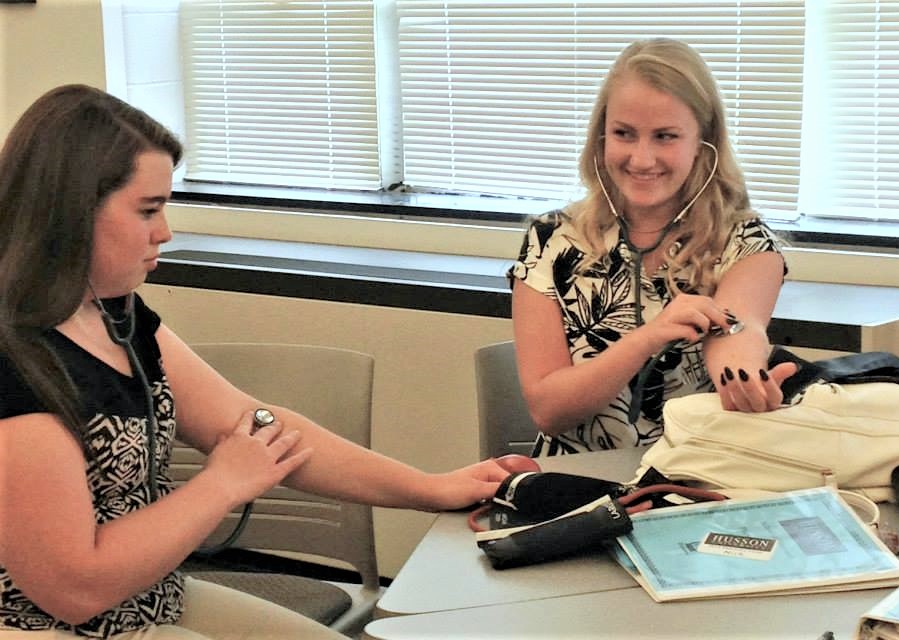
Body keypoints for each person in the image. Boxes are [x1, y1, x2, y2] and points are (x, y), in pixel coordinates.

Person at [0, 84, 511, 639]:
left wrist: (428, 488)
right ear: (70, 211)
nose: (164, 233)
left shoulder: (113, 313)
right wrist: (221, 483)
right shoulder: (14, 358)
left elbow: (259, 428)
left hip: (149, 599)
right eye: (148, 210)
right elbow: (75, 588)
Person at [509, 38, 799, 456]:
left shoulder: (746, 245)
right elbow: (548, 411)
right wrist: (650, 337)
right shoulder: (551, 240)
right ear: (601, 136)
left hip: (695, 480)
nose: (642, 159)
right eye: (624, 134)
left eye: (665, 137)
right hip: (575, 489)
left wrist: (745, 380)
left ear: (703, 143)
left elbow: (738, 331)